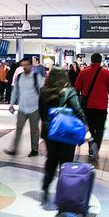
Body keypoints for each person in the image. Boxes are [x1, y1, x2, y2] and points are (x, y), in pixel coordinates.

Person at [38, 67, 85, 199]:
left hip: (49, 131)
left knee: (51, 158)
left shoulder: (43, 91)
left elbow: (42, 112)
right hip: (66, 130)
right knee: (66, 162)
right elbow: (78, 110)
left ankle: (46, 186)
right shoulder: (70, 91)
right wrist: (84, 126)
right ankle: (63, 191)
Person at [74, 53, 109, 159]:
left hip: (87, 106)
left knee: (91, 128)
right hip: (101, 106)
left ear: (91, 60)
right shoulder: (106, 73)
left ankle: (91, 145)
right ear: (101, 61)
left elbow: (77, 87)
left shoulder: (84, 72)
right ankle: (96, 147)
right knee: (100, 128)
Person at [5, 58, 43, 157]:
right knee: (18, 129)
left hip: (34, 108)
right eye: (23, 65)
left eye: (26, 65)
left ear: (31, 65)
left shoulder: (36, 77)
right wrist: (12, 104)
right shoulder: (20, 77)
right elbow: (15, 91)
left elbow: (42, 91)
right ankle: (14, 149)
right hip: (22, 107)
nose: (24, 67)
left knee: (34, 130)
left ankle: (34, 150)